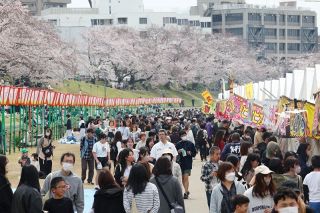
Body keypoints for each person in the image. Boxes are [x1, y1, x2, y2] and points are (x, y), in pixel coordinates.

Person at [176, 130, 197, 199]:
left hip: (188, 162)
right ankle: (187, 190)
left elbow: (194, 153)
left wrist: (190, 153)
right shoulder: (178, 144)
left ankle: (185, 192)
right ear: (180, 137)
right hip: (180, 163)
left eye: (184, 135)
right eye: (182, 136)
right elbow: (175, 154)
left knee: (186, 177)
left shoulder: (190, 144)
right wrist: (178, 152)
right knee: (182, 178)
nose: (183, 137)